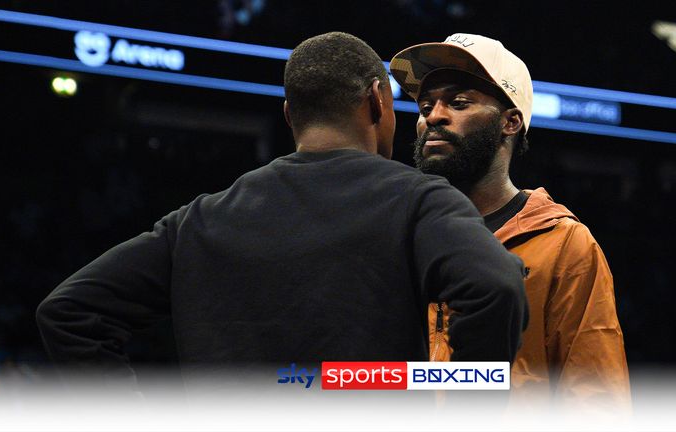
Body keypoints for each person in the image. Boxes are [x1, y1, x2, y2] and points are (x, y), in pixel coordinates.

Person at [36, 32, 528, 385]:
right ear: (378, 102)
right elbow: (496, 288)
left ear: (290, 113)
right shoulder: (418, 199)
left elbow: (67, 312)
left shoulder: (200, 219)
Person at [390, 33, 631, 412]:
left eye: (458, 102)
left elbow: (597, 398)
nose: (433, 116)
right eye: (424, 106)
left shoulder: (565, 244)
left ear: (511, 122)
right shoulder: (399, 238)